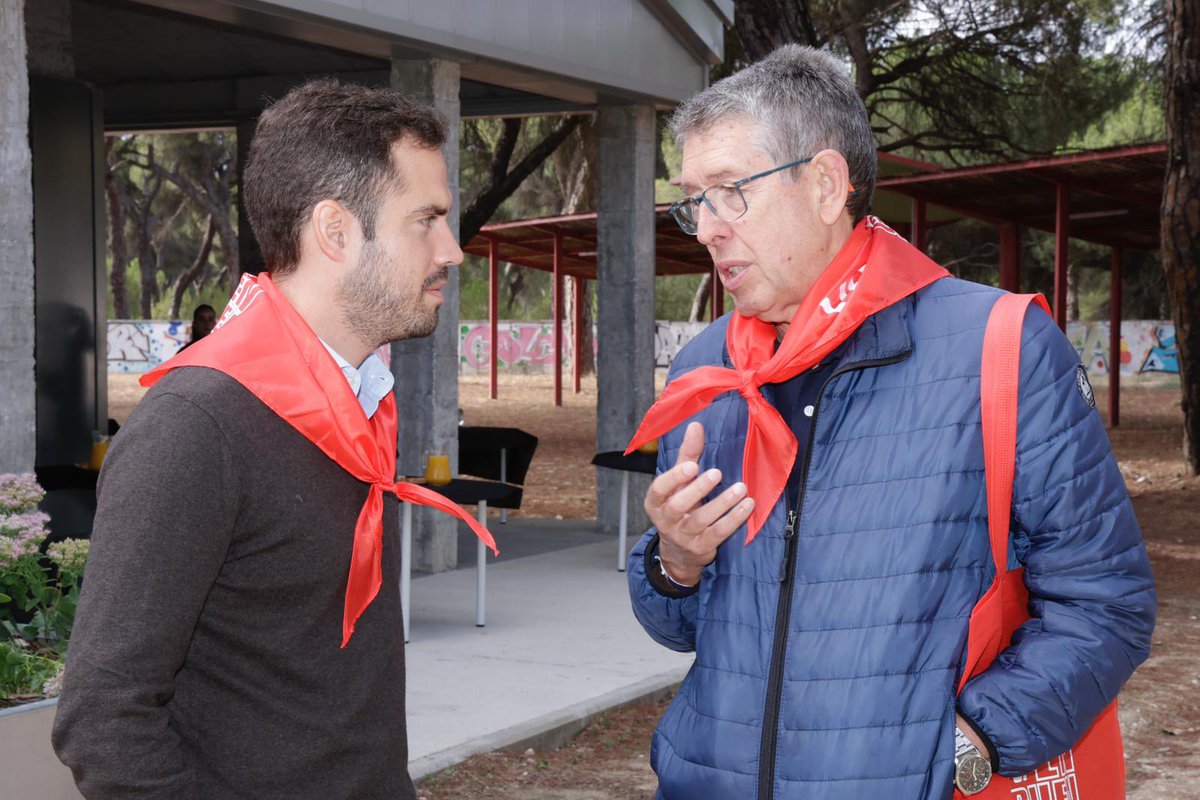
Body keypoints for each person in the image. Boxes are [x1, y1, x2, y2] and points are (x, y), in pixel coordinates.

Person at [625, 45, 1156, 800]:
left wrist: (971, 748)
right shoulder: (708, 369)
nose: (705, 228)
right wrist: (675, 561)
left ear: (825, 185)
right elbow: (677, 623)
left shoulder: (998, 347)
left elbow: (1106, 601)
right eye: (692, 201)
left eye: (729, 192)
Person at [52, 79, 496, 800]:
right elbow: (103, 719)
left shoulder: (356, 400)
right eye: (427, 220)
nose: (452, 249)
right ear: (335, 230)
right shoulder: (197, 427)